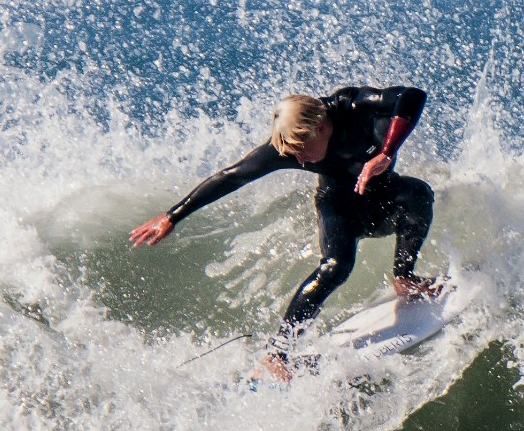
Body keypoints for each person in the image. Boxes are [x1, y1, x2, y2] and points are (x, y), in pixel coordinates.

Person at [130, 85, 441, 383]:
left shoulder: (352, 106)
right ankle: (277, 356)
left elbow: (411, 96)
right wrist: (173, 216)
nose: (300, 161)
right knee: (335, 267)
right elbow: (231, 177)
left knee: (418, 194)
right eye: (293, 155)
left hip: (384, 198)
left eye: (302, 152)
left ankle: (404, 277)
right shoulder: (290, 148)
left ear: (321, 128)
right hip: (339, 206)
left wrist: (387, 152)